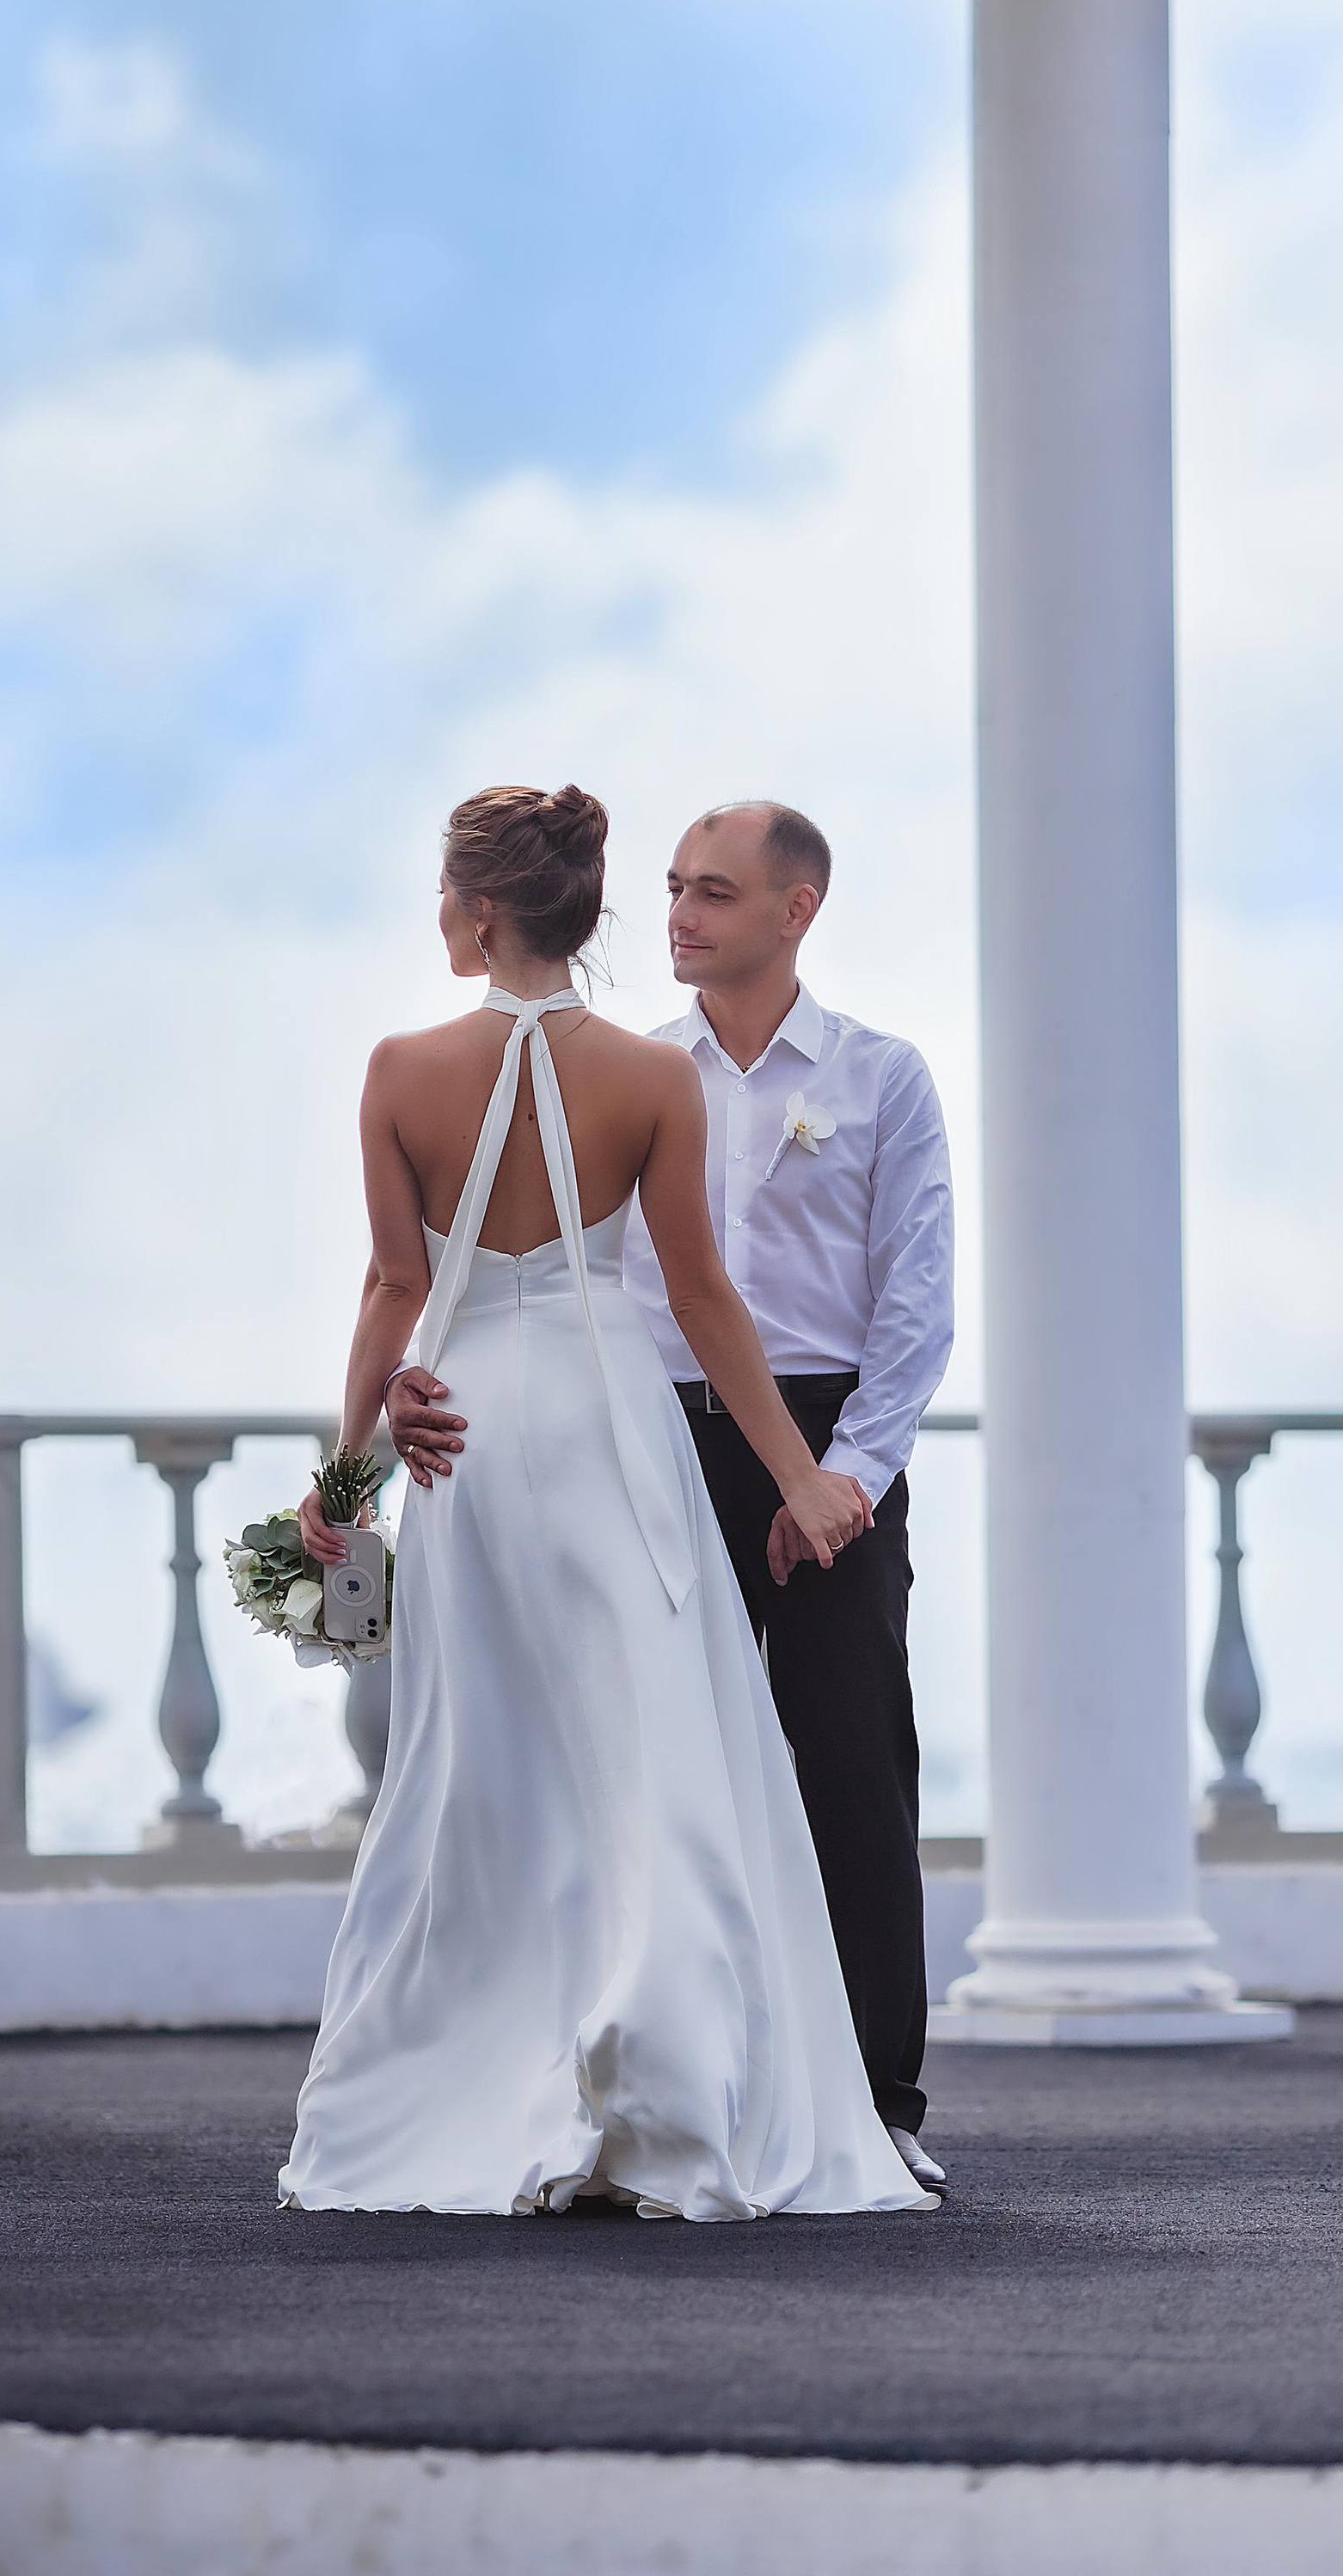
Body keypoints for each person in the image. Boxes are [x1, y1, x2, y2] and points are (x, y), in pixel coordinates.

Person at [279, 784, 934, 2222]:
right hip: (610, 1429)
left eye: (449, 897)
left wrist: (344, 1482)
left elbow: (401, 1291)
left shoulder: (398, 1066)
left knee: (484, 1769)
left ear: (483, 911)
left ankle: (472, 2074)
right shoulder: (655, 1080)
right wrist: (799, 1477)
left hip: (466, 1437)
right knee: (650, 1766)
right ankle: (661, 2080)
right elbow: (698, 1298)